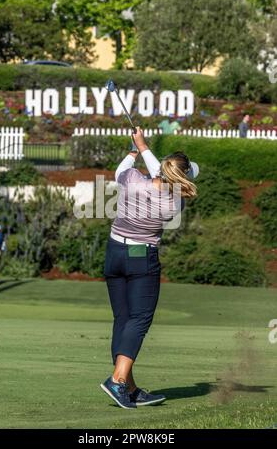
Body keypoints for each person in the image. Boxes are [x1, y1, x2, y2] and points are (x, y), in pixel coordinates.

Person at [100, 127, 199, 409]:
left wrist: (136, 148)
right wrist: (144, 148)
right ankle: (118, 380)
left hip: (115, 252)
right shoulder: (174, 202)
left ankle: (129, 388)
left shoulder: (131, 180)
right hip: (141, 256)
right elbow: (162, 173)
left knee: (123, 318)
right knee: (140, 319)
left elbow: (124, 168)